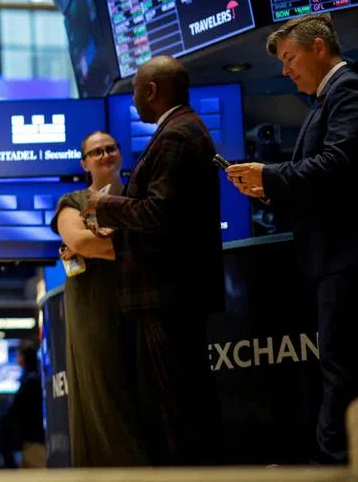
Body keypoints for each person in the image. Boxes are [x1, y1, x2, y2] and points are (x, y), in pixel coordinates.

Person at [227, 14, 358, 465]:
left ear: (319, 47)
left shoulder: (350, 92)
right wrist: (265, 190)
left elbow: (336, 165)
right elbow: (318, 182)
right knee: (351, 373)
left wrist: (270, 176)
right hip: (339, 261)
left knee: (344, 375)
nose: (286, 71)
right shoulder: (324, 103)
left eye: (290, 58)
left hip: (353, 261)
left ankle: (335, 466)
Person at [81, 55, 224, 466]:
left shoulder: (176, 135)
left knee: (179, 406)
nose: (134, 102)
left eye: (135, 92)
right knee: (183, 401)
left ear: (151, 91)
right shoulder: (182, 129)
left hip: (168, 291)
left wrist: (103, 207)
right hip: (170, 291)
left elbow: (158, 213)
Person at [49, 131, 148, 467]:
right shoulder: (72, 202)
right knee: (104, 396)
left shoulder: (140, 195)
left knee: (146, 395)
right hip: (93, 307)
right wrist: (140, 248)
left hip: (144, 302)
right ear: (84, 162)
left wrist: (105, 245)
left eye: (111, 149)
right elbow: (81, 243)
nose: (105, 155)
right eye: (96, 152)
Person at [0, 343, 45, 469]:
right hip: (32, 438)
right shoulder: (33, 377)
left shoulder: (31, 380)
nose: (17, 359)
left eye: (19, 356)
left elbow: (16, 410)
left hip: (33, 441)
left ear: (24, 358)